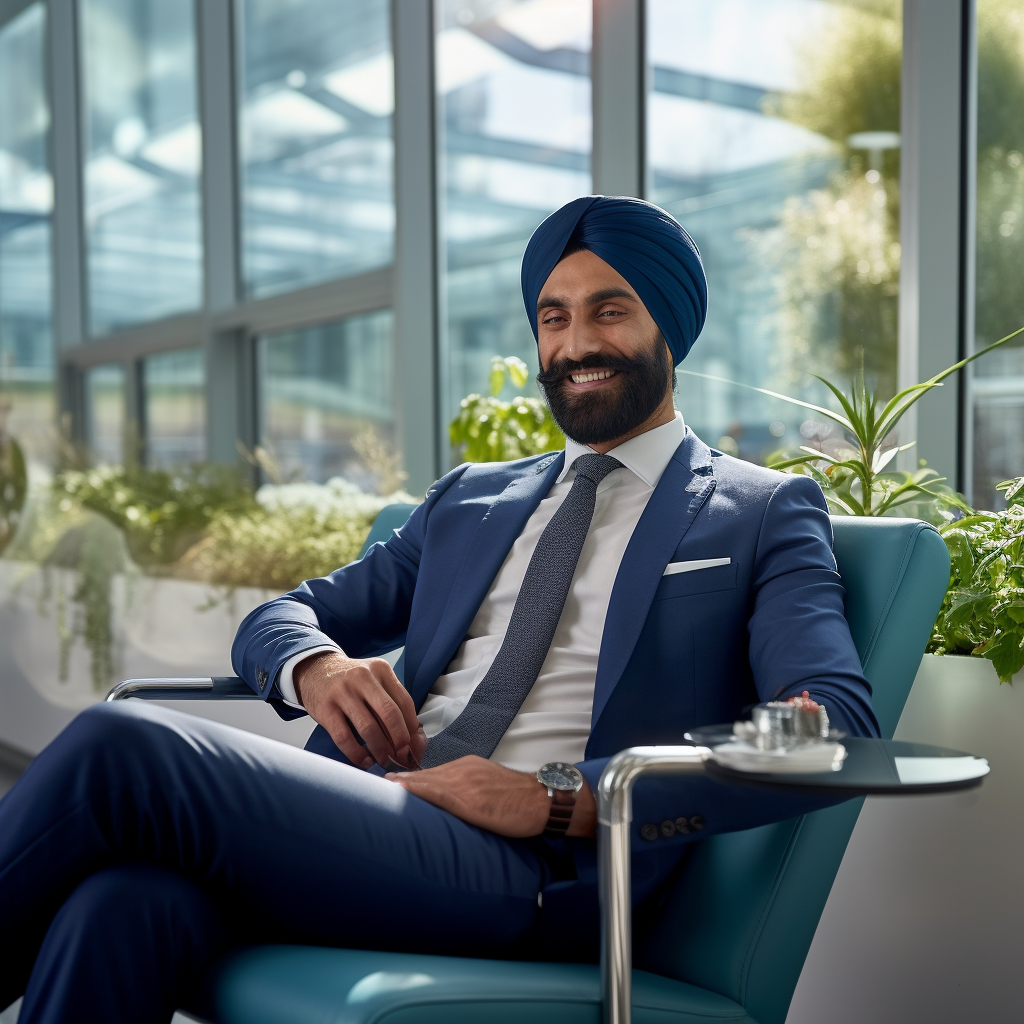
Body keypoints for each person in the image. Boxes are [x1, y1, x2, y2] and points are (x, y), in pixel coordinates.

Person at [0, 196, 878, 1024]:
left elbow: (830, 726)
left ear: (668, 328)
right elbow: (284, 614)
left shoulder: (760, 511)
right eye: (554, 317)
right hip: (375, 814)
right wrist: (317, 666)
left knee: (124, 745)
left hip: (550, 871)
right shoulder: (472, 500)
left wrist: (556, 797)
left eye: (610, 311)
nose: (577, 343)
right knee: (120, 904)